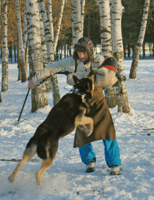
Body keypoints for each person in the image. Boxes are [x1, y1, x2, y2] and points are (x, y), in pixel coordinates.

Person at [28, 37, 122, 175]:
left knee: (107, 131)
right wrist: (34, 80)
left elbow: (108, 75)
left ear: (90, 51)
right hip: (79, 102)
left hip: (98, 100)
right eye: (78, 52)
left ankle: (115, 164)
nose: (81, 56)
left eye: (83, 53)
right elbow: (51, 69)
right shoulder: (70, 62)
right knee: (82, 132)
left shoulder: (98, 60)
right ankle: (89, 162)